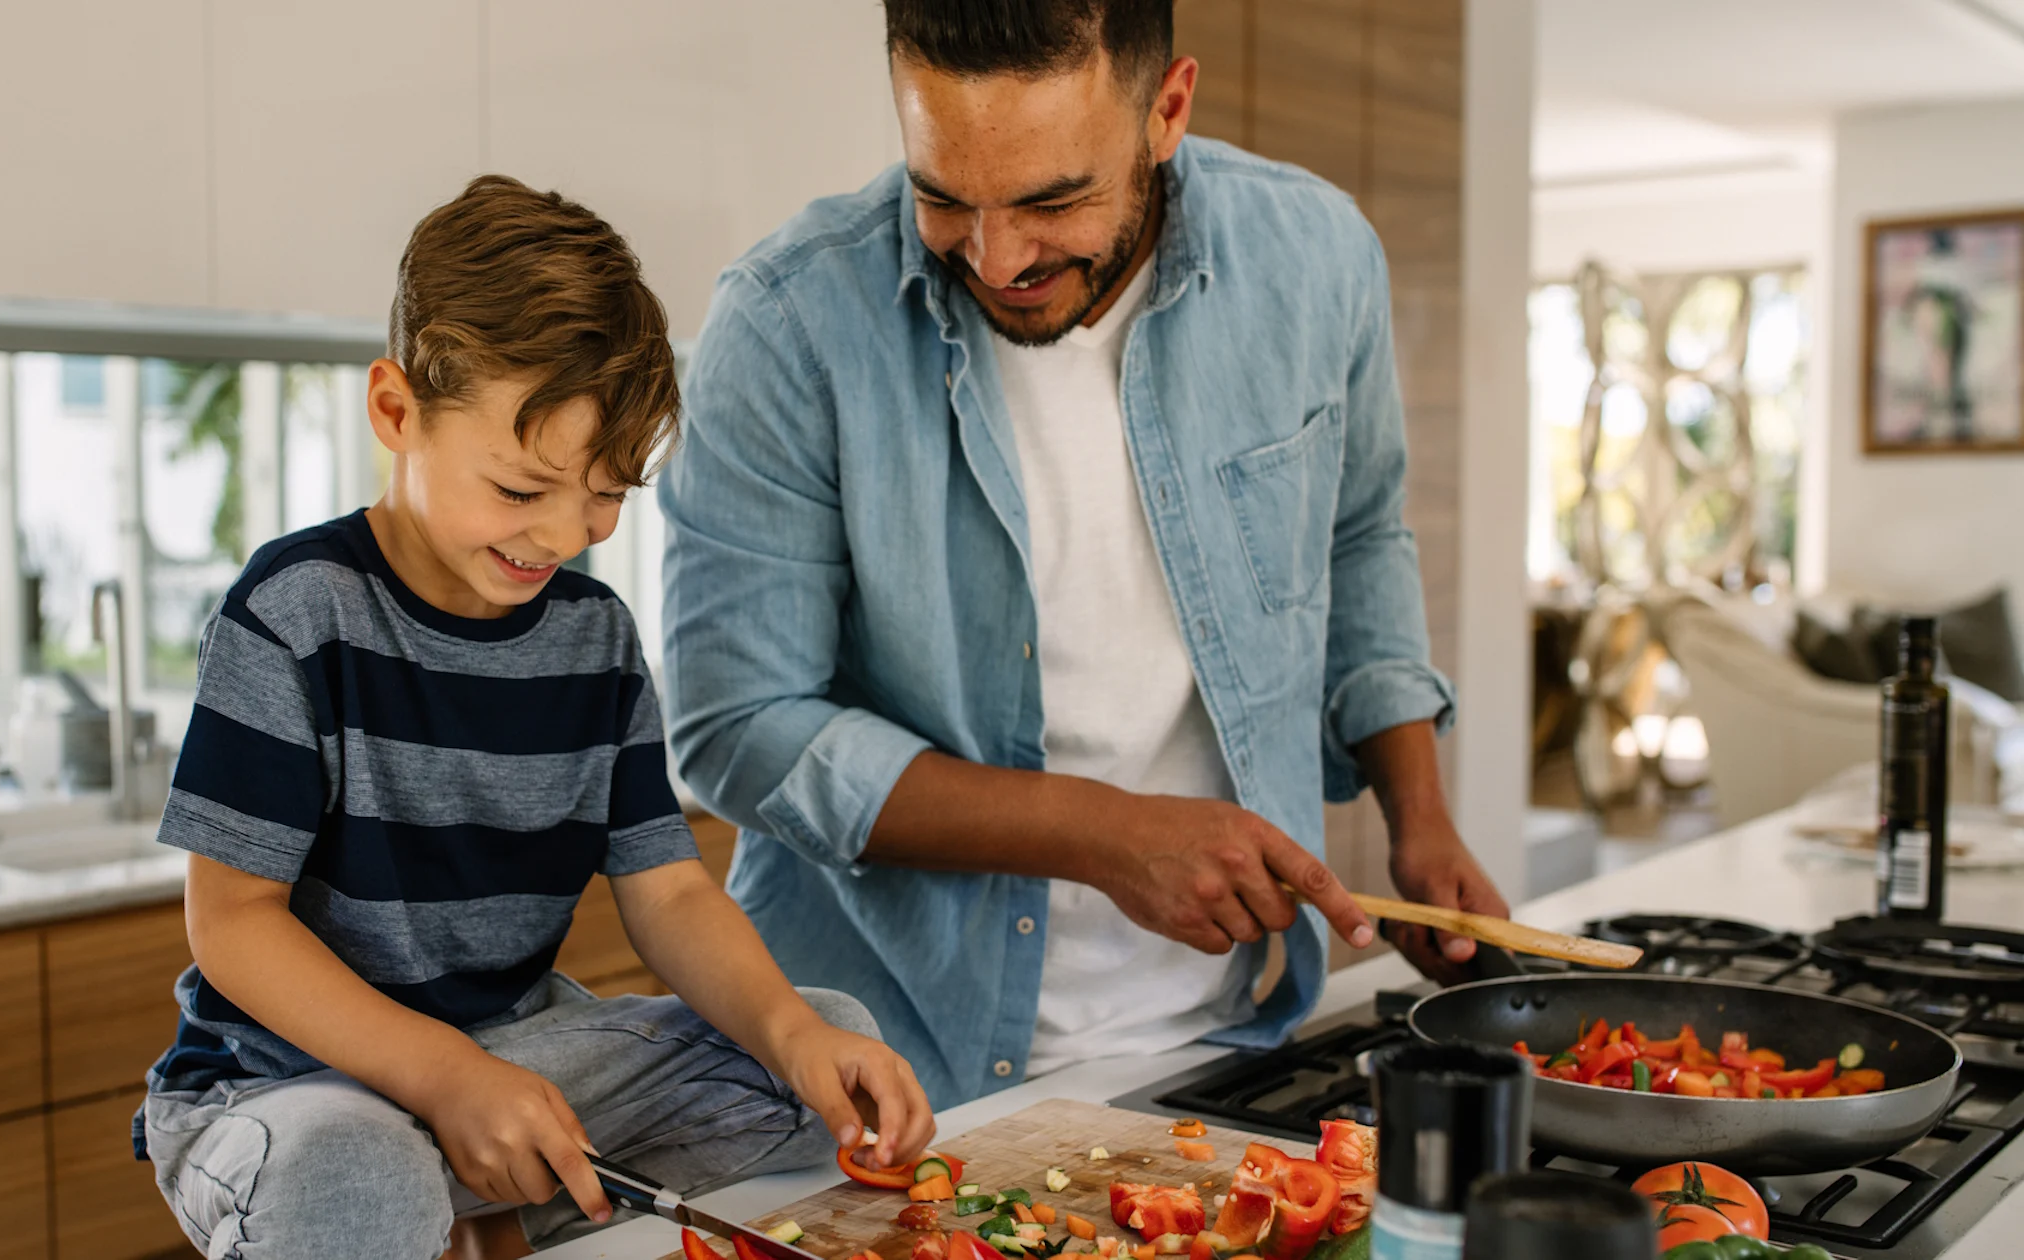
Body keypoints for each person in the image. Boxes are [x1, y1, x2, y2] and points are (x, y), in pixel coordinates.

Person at [659, 0, 1510, 1108]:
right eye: (941, 197)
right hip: (877, 1075)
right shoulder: (789, 324)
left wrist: (1419, 814)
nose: (997, 257)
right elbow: (734, 729)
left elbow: (1357, 535)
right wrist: (1104, 834)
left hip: (1224, 1046)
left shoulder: (1316, 258)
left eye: (1052, 201)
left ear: (1167, 109)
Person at [134, 175, 933, 1259]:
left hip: (511, 1056)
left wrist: (789, 1032)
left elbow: (668, 892)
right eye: (521, 490)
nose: (563, 532)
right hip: (286, 1090)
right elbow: (230, 924)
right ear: (395, 412)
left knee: (829, 1046)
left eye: (606, 493)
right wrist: (446, 1076)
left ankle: (475, 1191)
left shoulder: (594, 637)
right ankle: (452, 1195)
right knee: (358, 1169)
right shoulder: (295, 610)